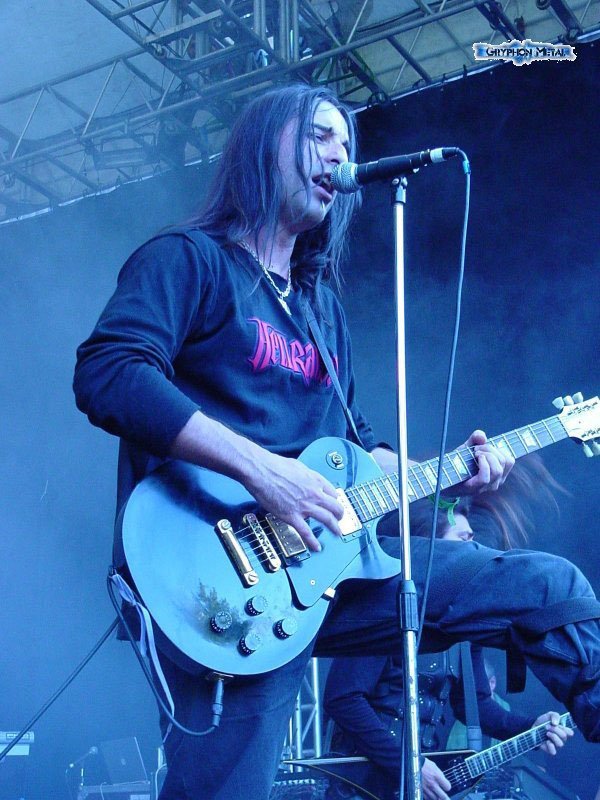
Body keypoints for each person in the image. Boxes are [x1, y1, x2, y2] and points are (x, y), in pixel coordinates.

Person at [72, 84, 600, 800]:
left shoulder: (320, 310)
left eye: (348, 143)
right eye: (321, 135)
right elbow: (110, 371)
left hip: (336, 569)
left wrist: (449, 475)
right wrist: (265, 474)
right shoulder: (189, 260)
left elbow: (356, 449)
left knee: (549, 588)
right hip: (218, 579)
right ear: (265, 145)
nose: (340, 154)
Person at [324, 474, 573, 800]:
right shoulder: (388, 608)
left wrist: (530, 728)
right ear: (433, 546)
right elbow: (343, 698)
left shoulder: (464, 625)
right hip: (362, 786)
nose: (474, 549)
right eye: (463, 539)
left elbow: (476, 706)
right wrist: (409, 765)